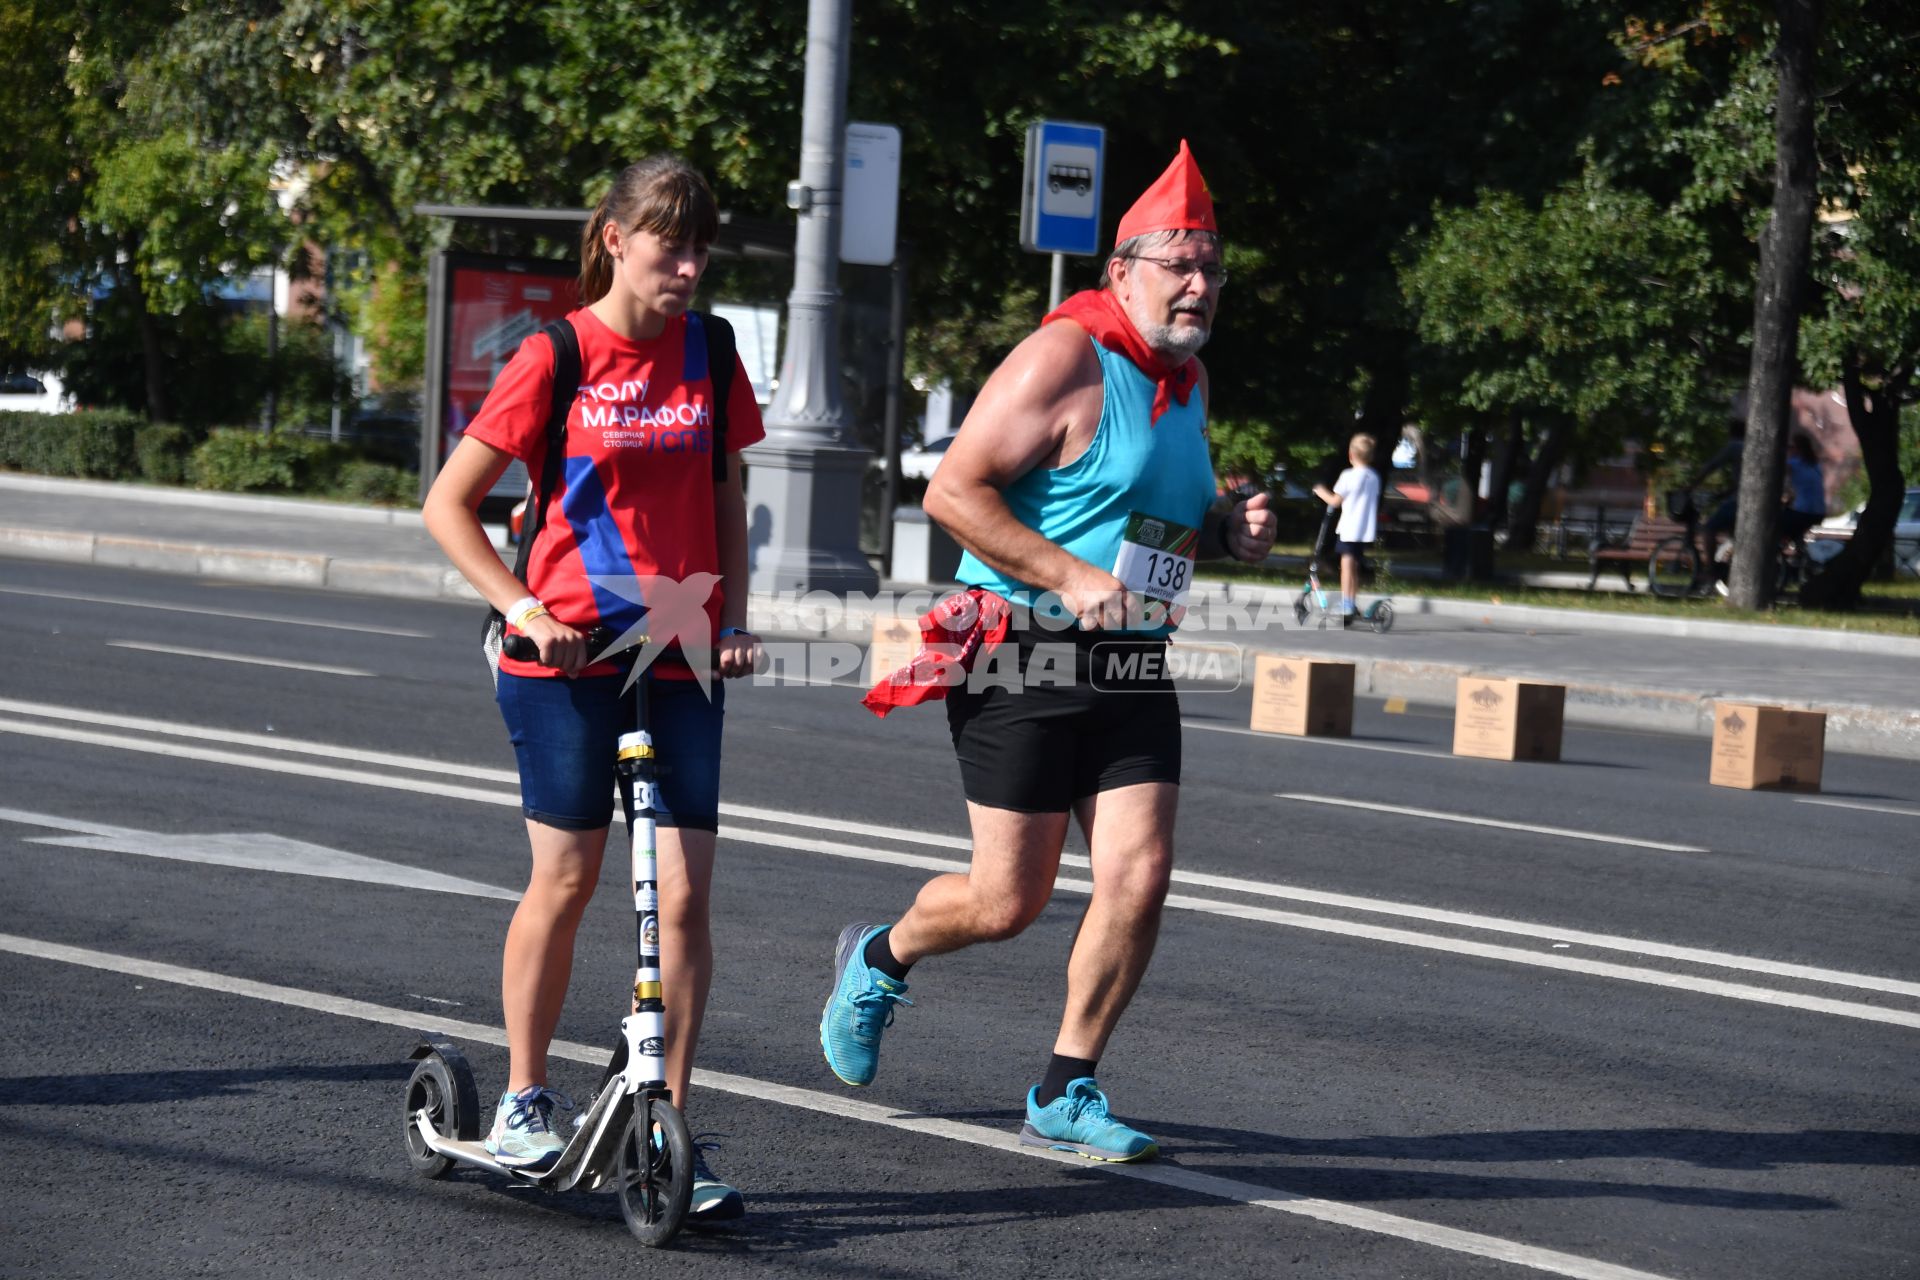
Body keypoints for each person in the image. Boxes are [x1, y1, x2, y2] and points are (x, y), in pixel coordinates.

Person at [825, 141, 1277, 1162]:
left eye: (1211, 265)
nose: (1199, 283)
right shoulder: (1064, 357)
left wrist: (1234, 522)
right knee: (1006, 901)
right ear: (1122, 271)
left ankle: (1066, 1085)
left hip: (1127, 657)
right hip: (1019, 649)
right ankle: (879, 955)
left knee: (1140, 873)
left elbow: (1156, 509)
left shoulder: (1188, 380)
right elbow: (952, 492)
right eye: (1178, 263)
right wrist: (1069, 578)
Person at [421, 155, 763, 1219]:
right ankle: (526, 1095)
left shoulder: (711, 348)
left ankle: (666, 1132)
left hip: (680, 658)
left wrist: (736, 622)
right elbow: (450, 505)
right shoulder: (557, 353)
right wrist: (527, 610)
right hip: (563, 660)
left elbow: (725, 493)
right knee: (568, 881)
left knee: (688, 898)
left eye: (703, 247)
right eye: (673, 245)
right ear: (616, 237)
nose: (691, 266)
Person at [1311, 433, 1381, 621]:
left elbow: (1335, 501)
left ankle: (1346, 603)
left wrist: (1320, 491)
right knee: (1354, 566)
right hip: (1364, 530)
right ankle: (1351, 600)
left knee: (1346, 566)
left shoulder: (1348, 476)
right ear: (1371, 456)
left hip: (1349, 528)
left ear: (1351, 455)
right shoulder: (1374, 477)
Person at [1780, 433, 1826, 546]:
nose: (1788, 449)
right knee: (1794, 532)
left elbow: (1774, 474)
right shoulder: (1815, 464)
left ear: (1798, 449)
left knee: (1774, 523)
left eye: (1791, 447)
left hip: (1804, 511)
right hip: (1819, 512)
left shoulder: (1794, 463)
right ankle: (1800, 551)